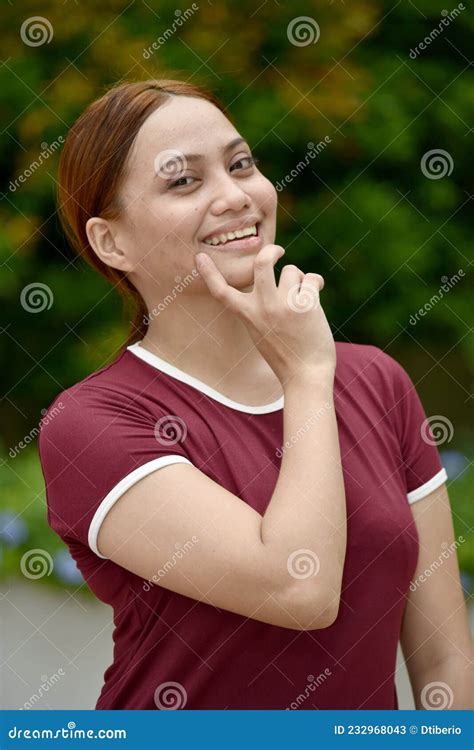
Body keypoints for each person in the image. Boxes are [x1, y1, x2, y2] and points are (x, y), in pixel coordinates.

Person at [38, 78, 472, 710]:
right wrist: (305, 378)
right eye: (183, 181)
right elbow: (301, 589)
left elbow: (444, 656)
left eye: (240, 164)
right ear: (113, 242)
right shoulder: (93, 425)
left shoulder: (375, 382)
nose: (235, 196)